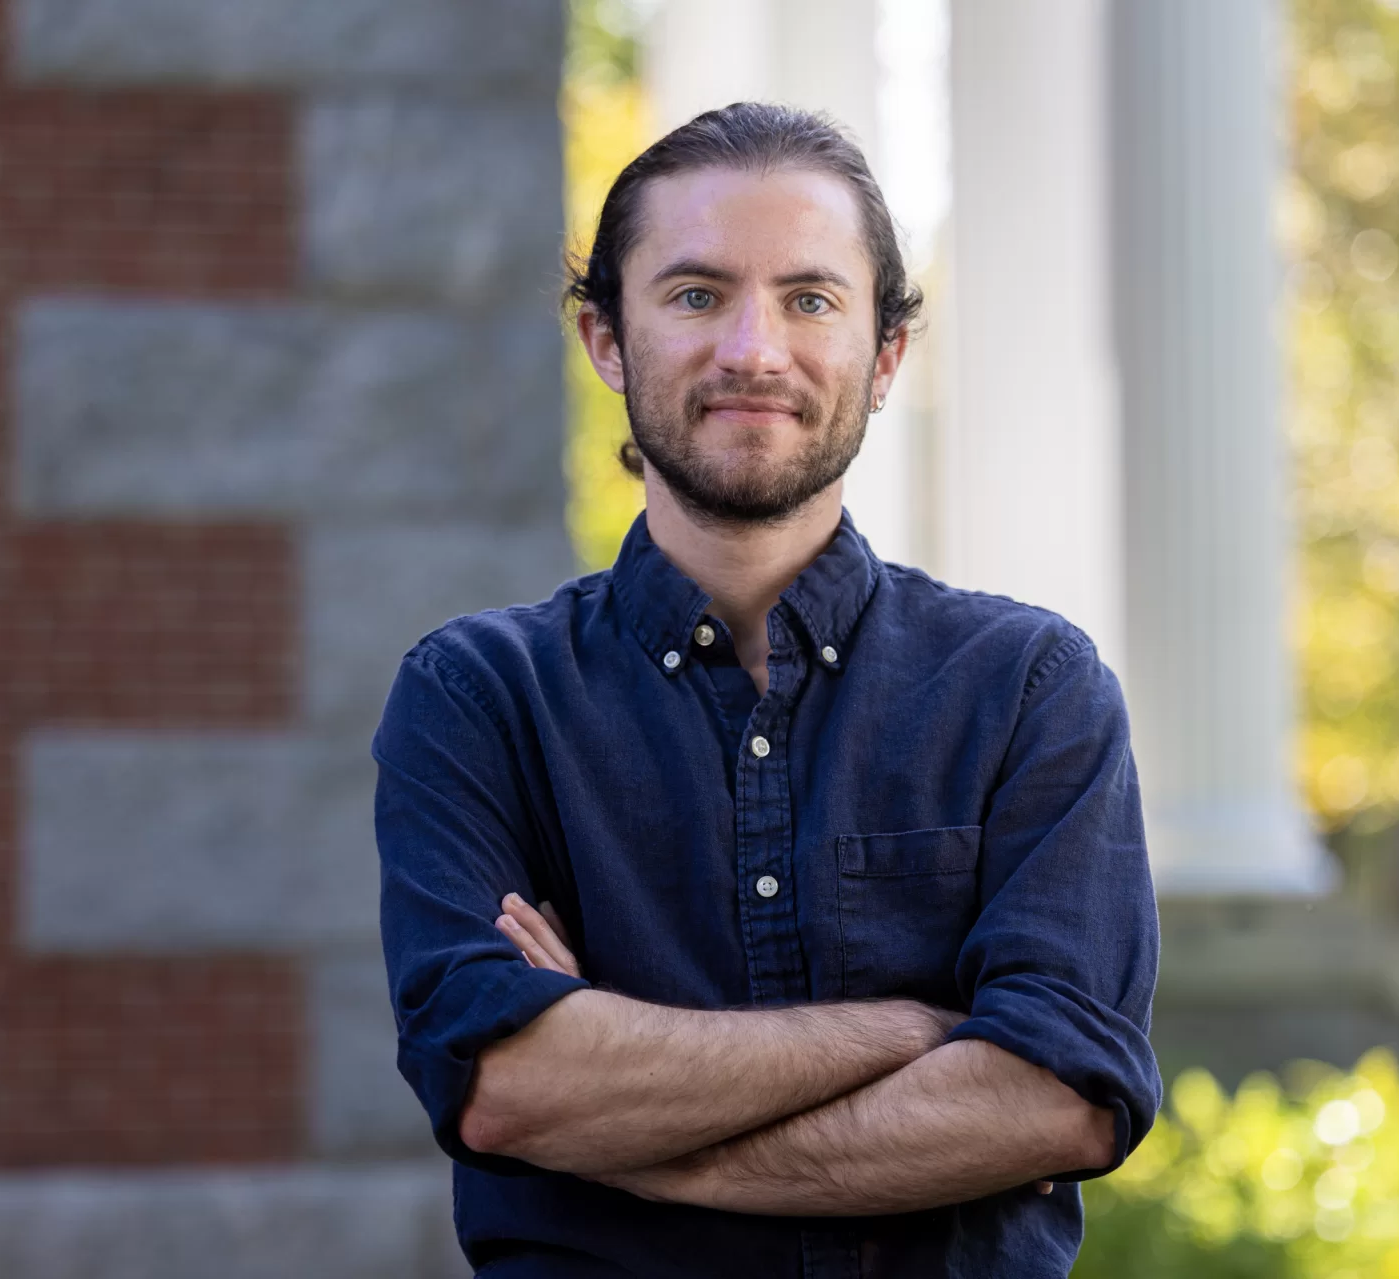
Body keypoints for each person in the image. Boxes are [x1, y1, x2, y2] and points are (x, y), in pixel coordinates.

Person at [373, 102, 1161, 1278]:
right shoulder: (478, 697)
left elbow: (1056, 1102)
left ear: (882, 356)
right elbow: (505, 1089)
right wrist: (913, 1031)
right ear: (604, 340)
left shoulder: (1027, 690)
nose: (753, 350)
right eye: (695, 296)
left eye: (809, 299)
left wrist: (612, 1112)